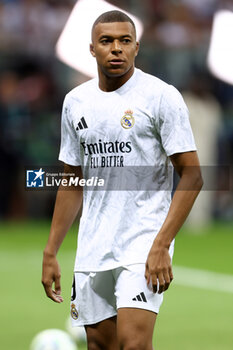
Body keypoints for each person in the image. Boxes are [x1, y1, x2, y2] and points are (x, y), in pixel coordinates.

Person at [42, 10, 203, 350]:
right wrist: (51, 250)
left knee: (134, 344)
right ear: (92, 49)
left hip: (143, 243)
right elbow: (72, 180)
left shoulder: (160, 96)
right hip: (93, 247)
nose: (116, 48)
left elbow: (192, 174)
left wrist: (162, 244)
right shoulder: (76, 102)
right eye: (107, 41)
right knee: (101, 346)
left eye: (124, 41)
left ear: (136, 47)